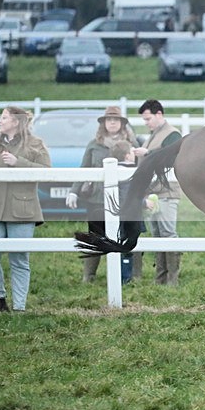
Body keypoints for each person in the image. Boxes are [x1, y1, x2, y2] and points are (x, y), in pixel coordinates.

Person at [0, 106, 51, 311]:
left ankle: (19, 307)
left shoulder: (36, 145)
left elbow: (47, 173)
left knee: (19, 258)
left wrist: (18, 162)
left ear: (16, 122)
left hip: (22, 209)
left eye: (4, 118)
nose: (0, 121)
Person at [65, 106, 138, 282]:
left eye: (116, 120)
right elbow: (84, 168)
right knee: (95, 236)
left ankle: (130, 277)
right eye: (109, 119)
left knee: (127, 236)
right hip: (97, 198)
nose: (112, 122)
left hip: (123, 200)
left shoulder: (132, 144)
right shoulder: (94, 144)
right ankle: (88, 276)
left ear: (121, 123)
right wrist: (74, 191)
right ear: (104, 123)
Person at [132, 99, 183, 285]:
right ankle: (161, 278)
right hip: (154, 193)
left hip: (167, 192)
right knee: (158, 235)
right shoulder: (153, 136)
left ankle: (173, 278)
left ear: (159, 114)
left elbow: (172, 158)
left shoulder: (172, 134)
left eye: (148, 118)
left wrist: (147, 154)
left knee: (168, 234)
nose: (146, 123)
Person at [109, 139, 144, 284]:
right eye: (131, 152)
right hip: (130, 215)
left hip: (121, 215)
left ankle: (124, 276)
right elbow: (129, 195)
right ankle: (125, 278)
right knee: (128, 247)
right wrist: (144, 202)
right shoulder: (128, 172)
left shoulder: (115, 171)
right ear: (127, 156)